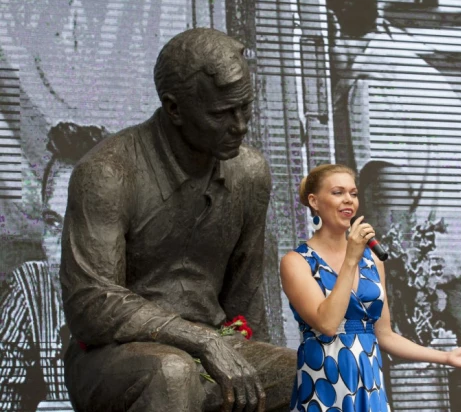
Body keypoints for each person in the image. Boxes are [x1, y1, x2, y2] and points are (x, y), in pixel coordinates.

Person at [59, 28, 295, 412]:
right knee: (173, 372)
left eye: (245, 107)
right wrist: (201, 340)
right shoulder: (107, 173)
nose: (240, 125)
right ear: (174, 110)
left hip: (214, 349)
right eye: (221, 114)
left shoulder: (251, 174)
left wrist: (251, 362)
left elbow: (245, 297)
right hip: (112, 358)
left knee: (314, 373)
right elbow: (91, 305)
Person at [280, 164, 461, 411]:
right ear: (314, 201)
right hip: (325, 381)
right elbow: (327, 323)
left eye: (353, 193)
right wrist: (350, 259)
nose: (348, 200)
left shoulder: (371, 260)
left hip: (370, 384)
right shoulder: (296, 262)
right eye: (338, 192)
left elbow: (385, 335)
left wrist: (446, 357)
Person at [0, 122, 106, 412]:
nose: (60, 248)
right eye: (52, 223)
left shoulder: (150, 286)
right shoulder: (30, 288)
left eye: (79, 225)